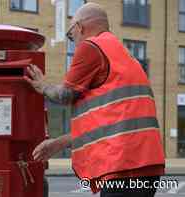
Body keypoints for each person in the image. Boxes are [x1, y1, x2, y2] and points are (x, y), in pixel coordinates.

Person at [24, 2, 165, 197]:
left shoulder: (91, 46)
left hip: (124, 167)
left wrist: (42, 85)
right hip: (145, 166)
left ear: (79, 27)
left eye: (71, 36)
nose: (73, 42)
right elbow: (107, 126)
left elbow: (65, 95)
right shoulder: (123, 55)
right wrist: (59, 143)